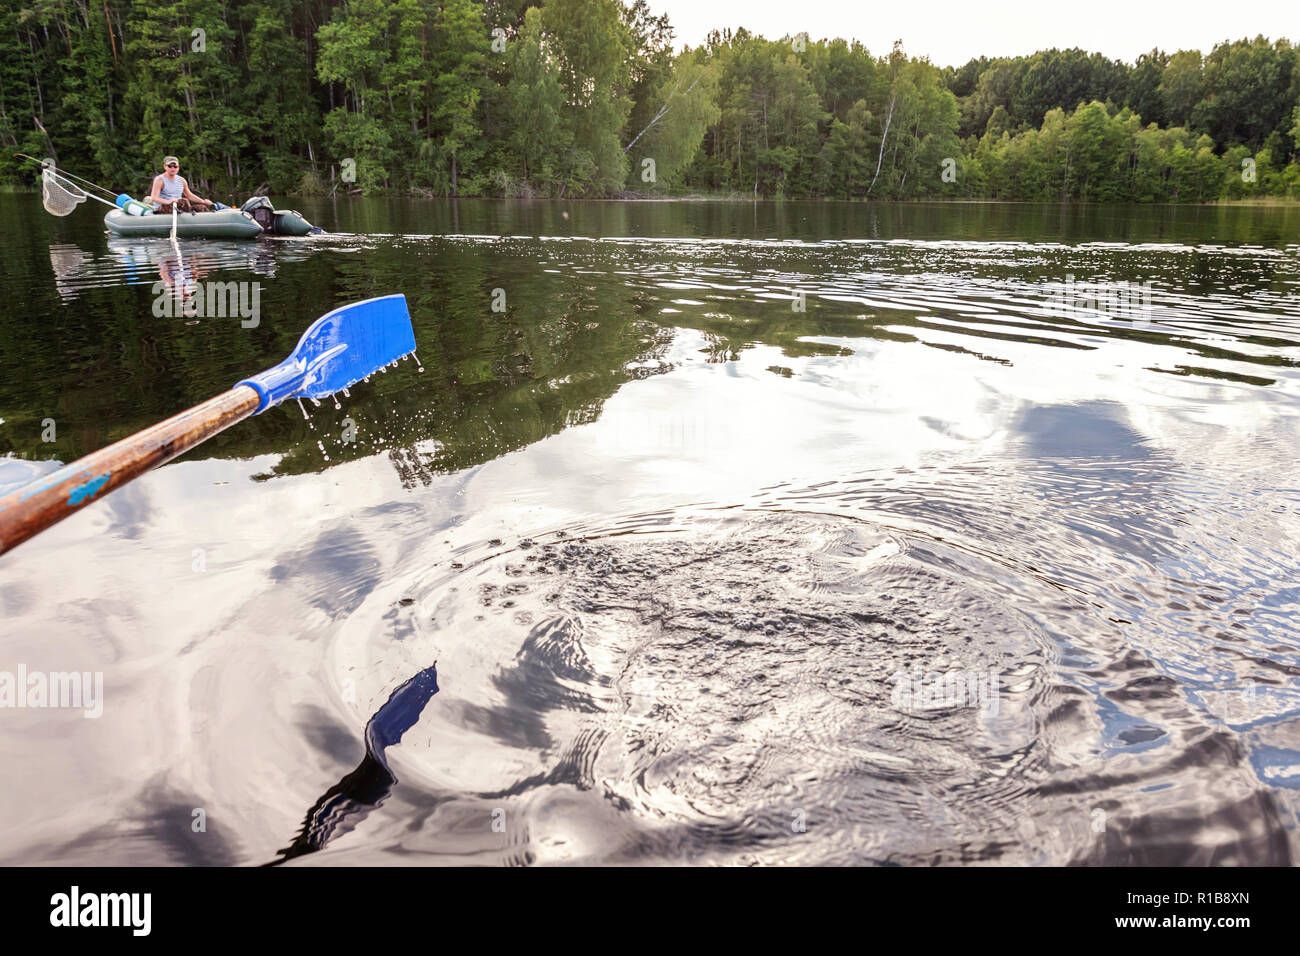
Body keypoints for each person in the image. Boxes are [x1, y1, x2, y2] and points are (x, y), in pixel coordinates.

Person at [149, 156, 213, 213]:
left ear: (178, 167)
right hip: (163, 207)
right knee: (184, 201)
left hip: (179, 206)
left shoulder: (182, 180)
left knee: (202, 207)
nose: (173, 168)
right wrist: (168, 201)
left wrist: (203, 201)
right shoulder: (159, 180)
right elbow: (154, 198)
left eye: (175, 166)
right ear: (165, 167)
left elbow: (189, 195)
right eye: (170, 166)